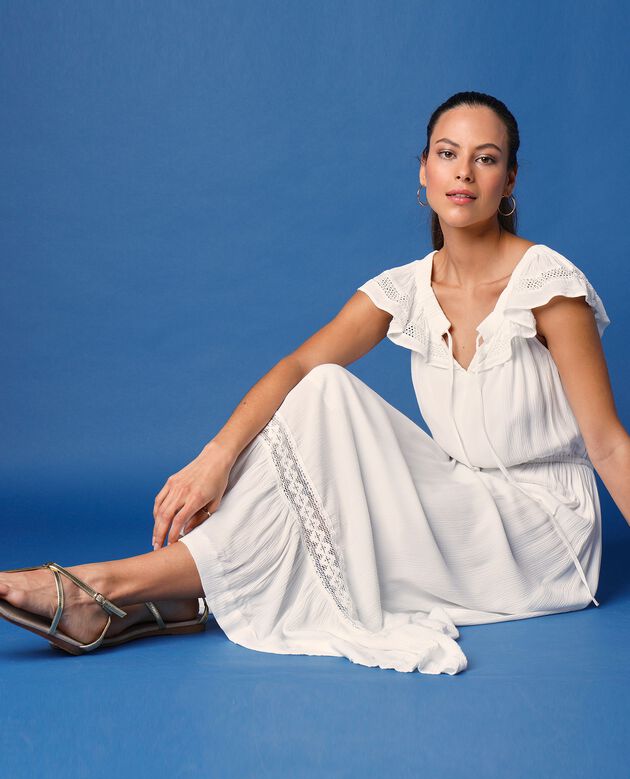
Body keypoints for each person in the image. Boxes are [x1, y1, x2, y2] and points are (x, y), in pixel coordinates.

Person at [1, 91, 628, 674]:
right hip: (460, 500)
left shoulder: (547, 286)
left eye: (485, 159)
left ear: (509, 180)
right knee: (324, 389)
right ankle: (140, 593)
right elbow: (298, 368)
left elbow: (606, 445)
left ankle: (108, 588)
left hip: (542, 535)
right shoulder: (405, 289)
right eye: (447, 153)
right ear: (423, 170)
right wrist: (216, 459)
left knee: (327, 464)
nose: (463, 172)